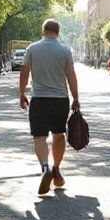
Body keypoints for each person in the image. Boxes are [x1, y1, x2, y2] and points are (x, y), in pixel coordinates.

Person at [19, 18, 79, 195]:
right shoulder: (65, 51)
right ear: (58, 32)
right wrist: (76, 98)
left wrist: (22, 93)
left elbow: (24, 72)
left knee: (39, 137)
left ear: (43, 31)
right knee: (59, 135)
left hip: (39, 99)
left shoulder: (32, 48)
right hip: (60, 100)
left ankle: (45, 168)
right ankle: (57, 168)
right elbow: (72, 76)